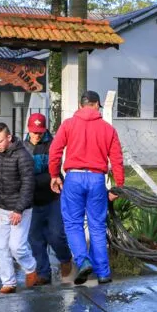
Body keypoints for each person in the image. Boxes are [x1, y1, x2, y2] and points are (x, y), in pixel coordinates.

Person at [49, 91, 125, 285]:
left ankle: (82, 262)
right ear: (97, 104)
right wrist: (119, 186)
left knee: (73, 224)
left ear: (80, 105)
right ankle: (103, 273)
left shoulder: (68, 125)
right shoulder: (107, 129)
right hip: (97, 179)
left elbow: (55, 150)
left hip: (73, 178)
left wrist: (54, 175)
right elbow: (116, 158)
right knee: (97, 226)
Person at [22, 112, 74, 285]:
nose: (36, 135)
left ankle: (65, 259)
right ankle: (43, 273)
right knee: (35, 238)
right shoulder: (22, 147)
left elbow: (55, 168)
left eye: (39, 132)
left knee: (56, 235)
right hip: (32, 201)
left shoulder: (53, 145)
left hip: (53, 197)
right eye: (33, 131)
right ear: (28, 129)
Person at [0, 122, 38, 293]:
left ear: (9, 137)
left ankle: (30, 268)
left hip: (20, 209)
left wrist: (19, 209)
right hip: (1, 207)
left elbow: (28, 185)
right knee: (1, 247)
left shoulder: (23, 156)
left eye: (0, 141)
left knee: (17, 247)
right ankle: (8, 282)